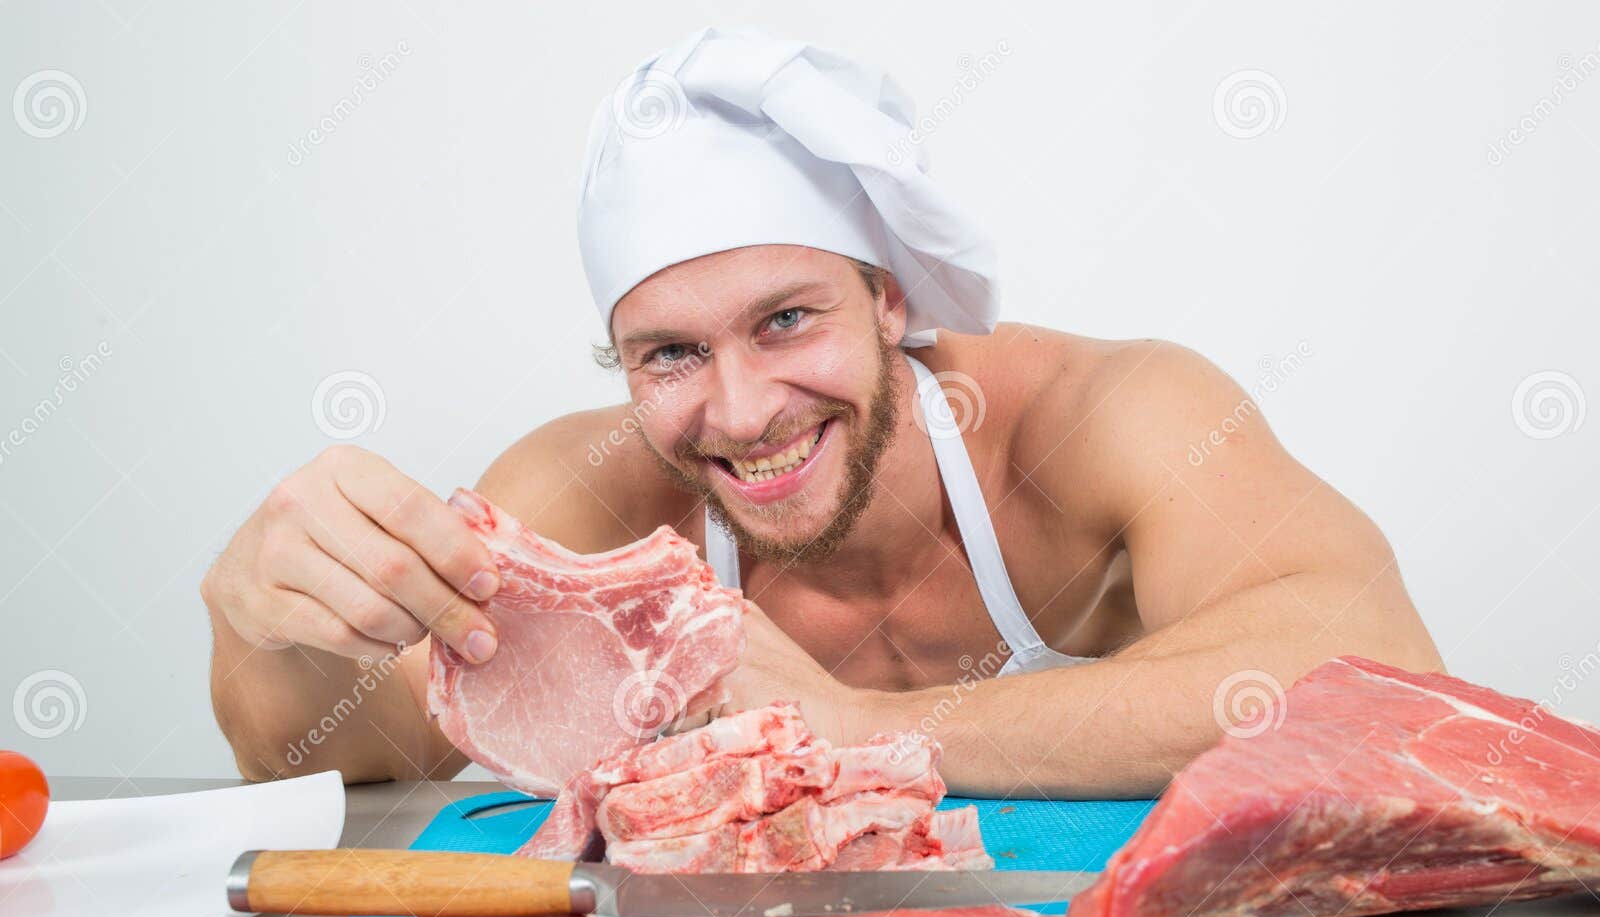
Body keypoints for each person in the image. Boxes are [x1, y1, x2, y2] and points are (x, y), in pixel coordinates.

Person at [202, 28, 1440, 798]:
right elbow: (334, 749)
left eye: (787, 319)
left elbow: (1374, 670)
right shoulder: (594, 493)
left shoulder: (1103, 416)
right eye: (670, 353)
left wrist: (861, 726)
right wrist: (270, 625)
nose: (741, 411)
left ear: (888, 296)